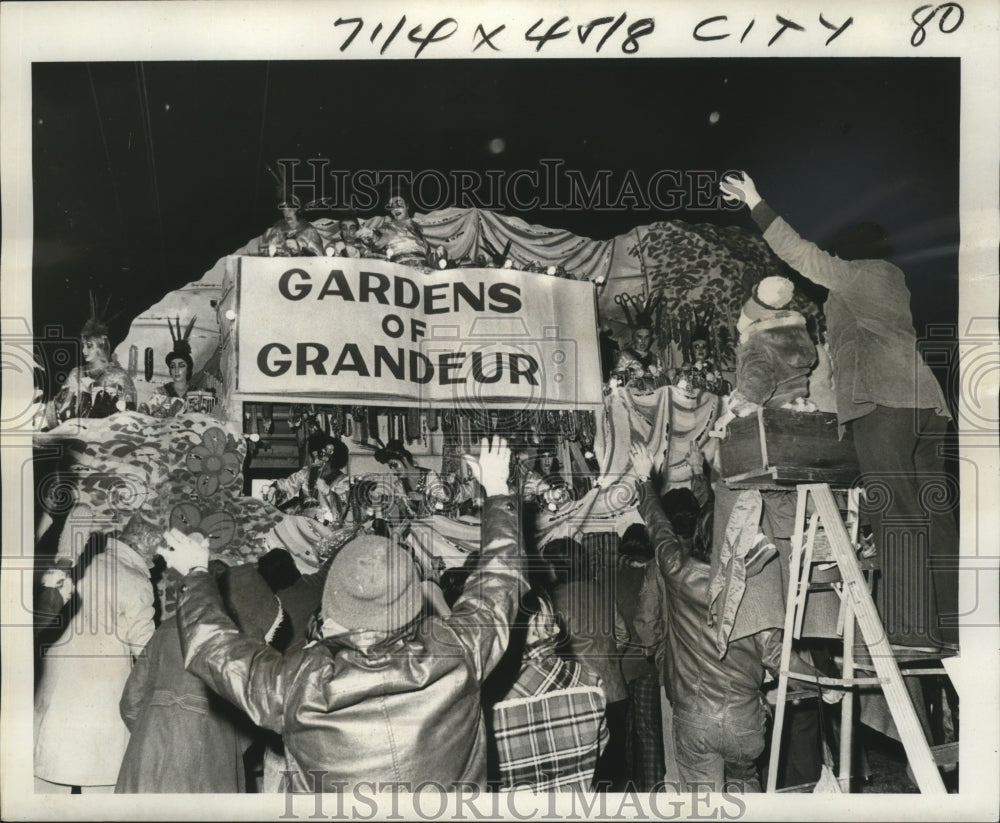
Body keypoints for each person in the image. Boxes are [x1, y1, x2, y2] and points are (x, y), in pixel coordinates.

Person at [160, 437, 526, 791]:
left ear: (331, 604)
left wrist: (195, 575)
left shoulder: (295, 684)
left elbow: (211, 648)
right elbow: (499, 583)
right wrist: (496, 493)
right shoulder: (458, 654)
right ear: (413, 604)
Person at [720, 172, 958, 651]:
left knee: (896, 512)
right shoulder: (892, 285)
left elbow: (800, 253)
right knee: (934, 514)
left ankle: (912, 632)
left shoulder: (859, 275)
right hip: (927, 405)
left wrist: (756, 202)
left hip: (884, 404)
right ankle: (953, 623)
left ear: (850, 252)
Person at [629, 442, 829, 793]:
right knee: (745, 791)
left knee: (702, 806)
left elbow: (659, 526)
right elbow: (778, 660)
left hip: (694, 717)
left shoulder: (679, 572)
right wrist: (822, 685)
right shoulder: (757, 581)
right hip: (745, 722)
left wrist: (645, 479)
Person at [115, 564, 285, 793]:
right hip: (206, 771)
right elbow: (251, 724)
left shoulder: (167, 628)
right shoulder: (245, 650)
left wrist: (152, 733)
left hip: (145, 758)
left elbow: (130, 701)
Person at [34, 517, 157, 793]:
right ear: (140, 547)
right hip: (101, 695)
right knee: (101, 780)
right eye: (152, 554)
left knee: (47, 773)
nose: (152, 562)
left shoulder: (82, 565)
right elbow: (145, 647)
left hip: (55, 685)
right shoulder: (137, 580)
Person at [489, 589, 609, 792]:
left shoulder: (478, 697)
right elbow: (600, 747)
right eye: (548, 622)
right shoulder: (588, 681)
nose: (555, 630)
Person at [613, 524, 667, 792]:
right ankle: (656, 793)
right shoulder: (660, 577)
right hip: (649, 666)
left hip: (621, 668)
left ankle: (630, 793)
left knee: (627, 734)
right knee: (650, 734)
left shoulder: (612, 579)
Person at [46, 299, 137, 424]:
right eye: (83, 345)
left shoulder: (120, 377)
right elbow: (59, 408)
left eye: (89, 346)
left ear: (102, 344)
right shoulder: (76, 373)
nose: (84, 351)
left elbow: (129, 416)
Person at [612, 313, 666, 393]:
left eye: (647, 337)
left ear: (650, 339)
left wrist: (658, 375)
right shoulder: (625, 356)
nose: (643, 341)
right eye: (639, 337)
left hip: (653, 399)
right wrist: (632, 374)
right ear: (633, 337)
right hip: (633, 399)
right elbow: (615, 381)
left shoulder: (656, 358)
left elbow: (664, 384)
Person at [374, 195, 430, 267]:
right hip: (399, 273)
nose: (395, 209)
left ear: (407, 206)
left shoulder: (419, 227)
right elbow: (372, 241)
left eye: (399, 204)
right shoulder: (386, 228)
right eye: (392, 207)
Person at [262, 196, 326, 257]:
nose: (287, 214)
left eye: (290, 210)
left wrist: (299, 247)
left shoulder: (309, 230)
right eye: (284, 211)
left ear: (296, 210)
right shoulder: (278, 228)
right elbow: (265, 248)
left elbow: (319, 254)